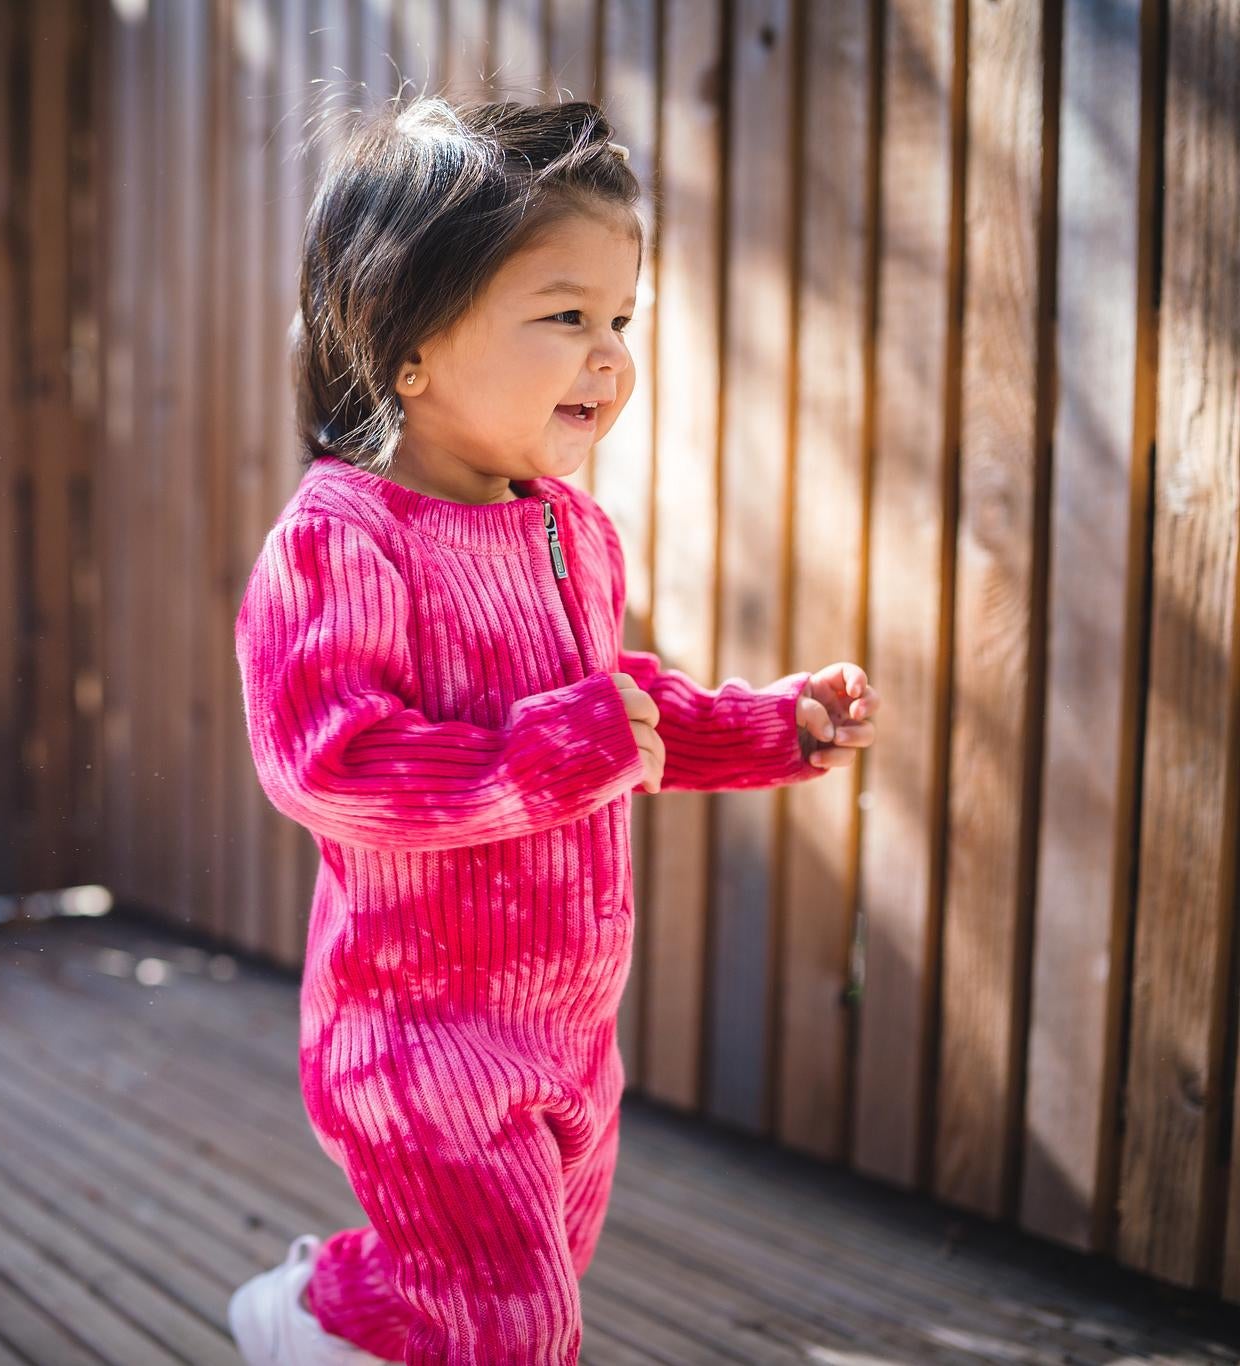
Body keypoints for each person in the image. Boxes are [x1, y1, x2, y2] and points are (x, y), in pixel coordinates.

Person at [226, 95, 880, 1365]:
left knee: (486, 1284)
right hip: (415, 1034)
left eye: (621, 320)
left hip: (570, 1025)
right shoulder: (340, 537)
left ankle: (316, 1310)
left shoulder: (566, 529)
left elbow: (618, 714)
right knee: (517, 1325)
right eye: (566, 316)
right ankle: (329, 1309)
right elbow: (329, 759)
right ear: (407, 346)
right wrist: (539, 756)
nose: (610, 356)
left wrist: (764, 725)